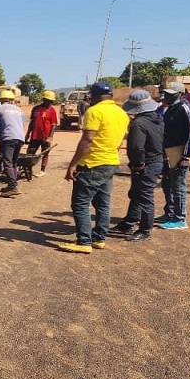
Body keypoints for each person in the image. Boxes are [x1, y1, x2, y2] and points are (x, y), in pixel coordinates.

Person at [60, 81, 129, 254]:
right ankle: (99, 239)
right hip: (111, 162)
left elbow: (87, 140)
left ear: (96, 96)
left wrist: (73, 164)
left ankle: (84, 241)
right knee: (102, 203)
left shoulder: (95, 111)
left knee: (80, 204)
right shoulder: (121, 113)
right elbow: (120, 140)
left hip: (92, 164)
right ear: (111, 95)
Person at [110, 90, 164, 242]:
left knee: (145, 196)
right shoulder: (158, 119)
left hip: (145, 164)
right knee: (136, 194)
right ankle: (128, 223)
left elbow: (136, 147)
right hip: (155, 161)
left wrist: (138, 164)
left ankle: (145, 230)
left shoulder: (138, 124)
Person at [156, 81, 190, 230]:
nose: (166, 96)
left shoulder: (186, 109)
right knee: (167, 183)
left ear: (180, 94)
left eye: (170, 94)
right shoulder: (171, 109)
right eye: (166, 94)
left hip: (180, 155)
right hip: (169, 154)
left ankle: (180, 218)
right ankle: (170, 212)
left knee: (178, 186)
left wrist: (186, 157)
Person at [0, 90, 25, 197]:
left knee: (7, 162)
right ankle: (12, 185)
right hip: (19, 138)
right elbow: (21, 124)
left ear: (1, 100)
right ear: (12, 100)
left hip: (8, 138)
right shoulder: (19, 110)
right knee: (13, 162)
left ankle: (13, 187)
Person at [24, 90, 59, 177]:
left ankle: (42, 170)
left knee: (45, 154)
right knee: (30, 154)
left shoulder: (52, 110)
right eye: (48, 100)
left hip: (46, 137)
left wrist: (50, 137)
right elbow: (32, 122)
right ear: (44, 99)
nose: (50, 102)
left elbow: (54, 124)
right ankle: (29, 170)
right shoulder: (35, 108)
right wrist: (28, 134)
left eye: (51, 101)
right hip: (35, 136)